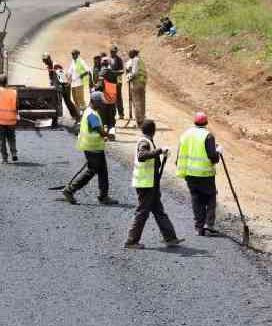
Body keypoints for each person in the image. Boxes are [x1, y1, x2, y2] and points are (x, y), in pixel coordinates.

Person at [124, 120, 184, 249]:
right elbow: (142, 156)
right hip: (146, 184)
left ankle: (170, 238)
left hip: (150, 183)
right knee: (142, 212)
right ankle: (131, 241)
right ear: (154, 130)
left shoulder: (147, 141)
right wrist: (159, 151)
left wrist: (160, 153)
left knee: (158, 210)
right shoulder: (144, 142)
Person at [63, 91, 118, 205]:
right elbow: (98, 130)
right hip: (92, 148)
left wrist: (103, 135)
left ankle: (103, 196)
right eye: (101, 103)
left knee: (103, 171)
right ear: (95, 102)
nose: (103, 105)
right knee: (91, 172)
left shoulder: (90, 111)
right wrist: (108, 135)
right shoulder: (92, 115)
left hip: (95, 146)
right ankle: (70, 190)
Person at [176, 112, 222, 236]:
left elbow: (179, 154)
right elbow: (213, 158)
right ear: (206, 122)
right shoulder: (208, 136)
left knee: (196, 200)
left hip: (190, 174)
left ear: (194, 122)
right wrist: (218, 152)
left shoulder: (186, 134)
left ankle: (198, 227)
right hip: (205, 174)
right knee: (210, 197)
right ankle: (208, 226)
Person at [42, 52, 78, 121]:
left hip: (65, 86)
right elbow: (52, 79)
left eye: (45, 60)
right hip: (58, 87)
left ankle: (76, 116)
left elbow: (63, 79)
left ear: (49, 59)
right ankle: (57, 118)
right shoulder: (49, 67)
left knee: (67, 101)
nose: (44, 62)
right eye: (44, 61)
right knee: (57, 102)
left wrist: (62, 89)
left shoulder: (56, 66)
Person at [97, 58, 119, 139]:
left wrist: (95, 88)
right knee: (111, 118)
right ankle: (112, 134)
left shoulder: (102, 73)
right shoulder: (113, 73)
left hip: (104, 98)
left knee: (102, 117)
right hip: (112, 98)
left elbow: (100, 86)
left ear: (102, 64)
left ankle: (103, 136)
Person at [126, 49, 147, 126]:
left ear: (133, 54)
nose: (129, 55)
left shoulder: (135, 60)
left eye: (130, 53)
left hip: (136, 83)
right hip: (142, 83)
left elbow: (135, 72)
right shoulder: (140, 60)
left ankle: (139, 120)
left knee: (136, 102)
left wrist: (129, 77)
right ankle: (142, 118)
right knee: (142, 102)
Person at [109, 45, 126, 120]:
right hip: (110, 82)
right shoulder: (108, 60)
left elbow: (122, 71)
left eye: (114, 52)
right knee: (111, 98)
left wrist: (114, 72)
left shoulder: (119, 60)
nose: (112, 53)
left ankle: (121, 114)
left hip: (117, 81)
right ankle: (112, 114)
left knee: (118, 98)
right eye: (111, 51)